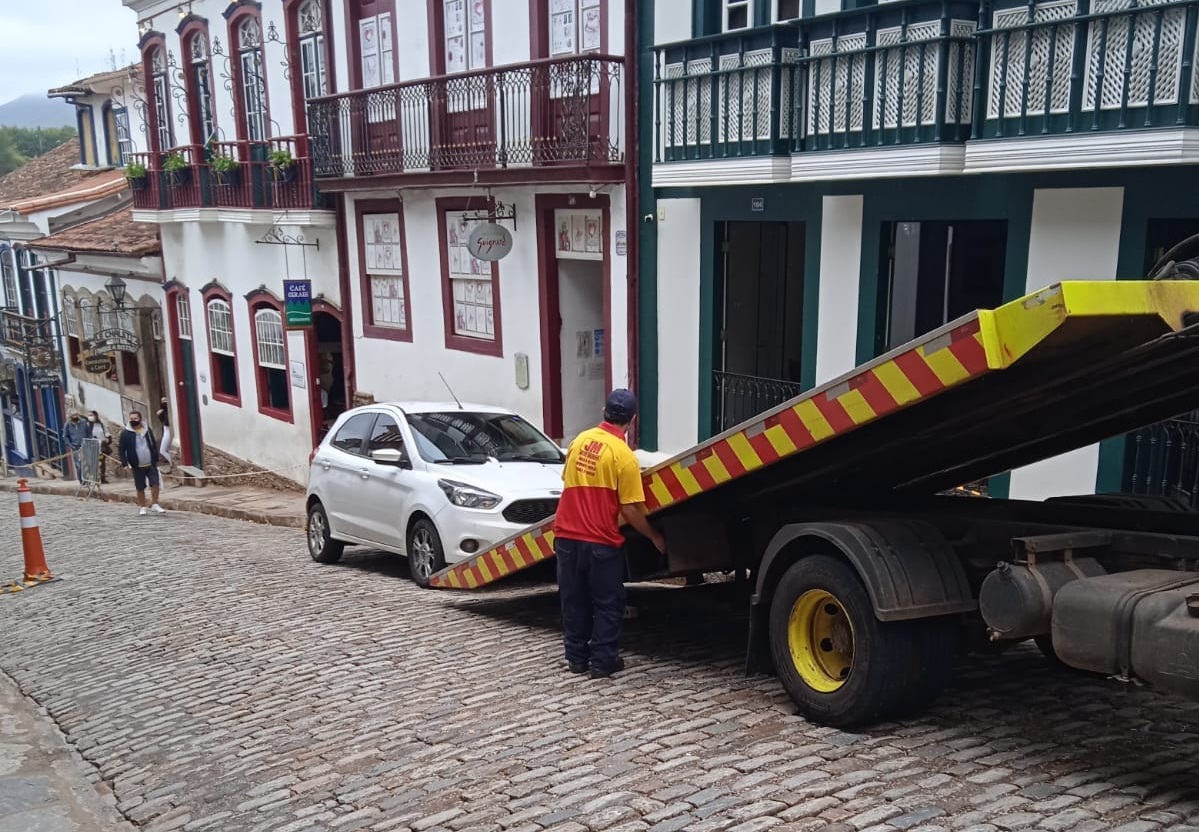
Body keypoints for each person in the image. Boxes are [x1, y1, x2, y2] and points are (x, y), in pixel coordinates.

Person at [553, 389, 666, 679]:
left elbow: (568, 481)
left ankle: (576, 658)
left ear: (604, 411)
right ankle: (603, 661)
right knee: (607, 602)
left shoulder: (579, 442)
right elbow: (629, 510)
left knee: (573, 599)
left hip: (566, 537)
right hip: (600, 541)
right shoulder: (623, 457)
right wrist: (654, 536)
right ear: (632, 420)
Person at [118, 410, 165, 516]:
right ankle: (142, 506)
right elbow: (121, 449)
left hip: (150, 462)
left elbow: (152, 443)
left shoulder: (147, 430)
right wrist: (124, 463)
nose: (133, 420)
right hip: (137, 465)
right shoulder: (126, 433)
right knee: (140, 487)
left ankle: (155, 503)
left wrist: (156, 457)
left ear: (140, 419)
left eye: (135, 418)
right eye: (131, 419)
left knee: (155, 483)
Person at [63, 412, 88, 484]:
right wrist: (70, 445)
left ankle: (87, 479)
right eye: (73, 415)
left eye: (76, 415)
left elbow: (88, 432)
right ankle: (81, 480)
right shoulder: (67, 425)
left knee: (86, 464)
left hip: (85, 446)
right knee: (79, 465)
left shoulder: (83, 422)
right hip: (75, 448)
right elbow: (65, 436)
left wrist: (88, 441)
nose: (75, 417)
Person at [87, 411, 108, 484]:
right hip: (92, 446)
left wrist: (107, 439)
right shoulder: (87, 425)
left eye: (91, 415)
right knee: (94, 462)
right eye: (89, 415)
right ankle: (94, 478)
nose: (90, 417)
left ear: (96, 416)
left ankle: (102, 478)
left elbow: (106, 433)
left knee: (102, 463)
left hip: (101, 446)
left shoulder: (101, 424)